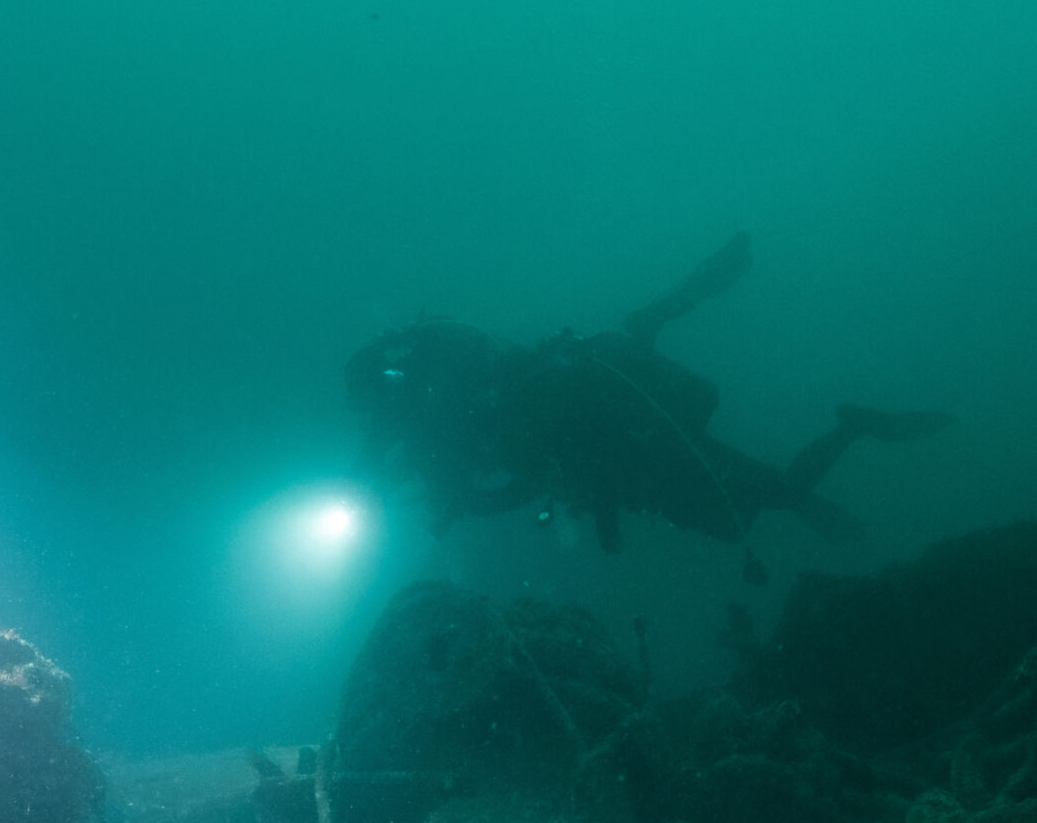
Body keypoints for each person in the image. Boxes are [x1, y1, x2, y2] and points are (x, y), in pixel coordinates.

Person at [348, 235, 950, 581]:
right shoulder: (450, 403)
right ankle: (660, 318)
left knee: (752, 508)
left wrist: (461, 501)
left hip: (633, 449)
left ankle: (852, 430)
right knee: (757, 498)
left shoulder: (450, 415)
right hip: (626, 428)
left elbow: (523, 477)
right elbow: (524, 466)